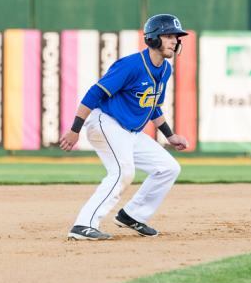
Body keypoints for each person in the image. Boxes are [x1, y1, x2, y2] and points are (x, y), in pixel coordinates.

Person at [60, 13, 190, 240]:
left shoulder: (165, 70)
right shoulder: (131, 65)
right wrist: (75, 130)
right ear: (153, 39)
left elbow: (154, 106)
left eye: (176, 37)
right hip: (105, 122)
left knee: (168, 167)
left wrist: (170, 136)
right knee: (123, 171)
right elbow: (94, 93)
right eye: (168, 36)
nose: (174, 41)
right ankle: (83, 224)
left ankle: (132, 215)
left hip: (130, 132)